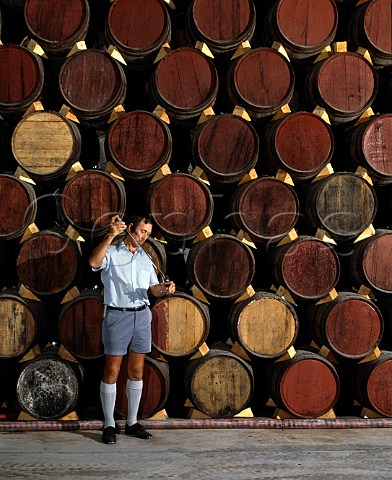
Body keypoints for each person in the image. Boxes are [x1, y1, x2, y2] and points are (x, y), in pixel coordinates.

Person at [89, 214, 175, 444]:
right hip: (118, 315)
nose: (144, 237)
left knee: (136, 371)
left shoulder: (146, 258)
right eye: (141, 231)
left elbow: (151, 290)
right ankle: (108, 424)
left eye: (147, 233)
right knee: (112, 371)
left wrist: (164, 289)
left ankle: (132, 423)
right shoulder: (113, 252)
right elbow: (94, 263)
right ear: (130, 228)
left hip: (141, 315)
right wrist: (109, 236)